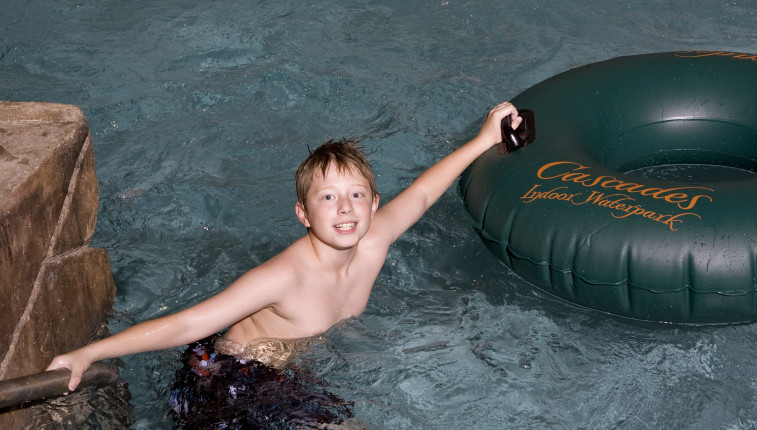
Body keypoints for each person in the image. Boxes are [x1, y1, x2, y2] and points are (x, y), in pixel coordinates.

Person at [47, 101, 520, 388]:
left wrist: (483, 140)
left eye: (356, 196)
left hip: (291, 375)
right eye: (328, 198)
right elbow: (191, 323)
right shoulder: (284, 278)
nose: (345, 209)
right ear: (303, 215)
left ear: (375, 205)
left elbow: (420, 193)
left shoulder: (374, 242)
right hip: (227, 378)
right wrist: (91, 353)